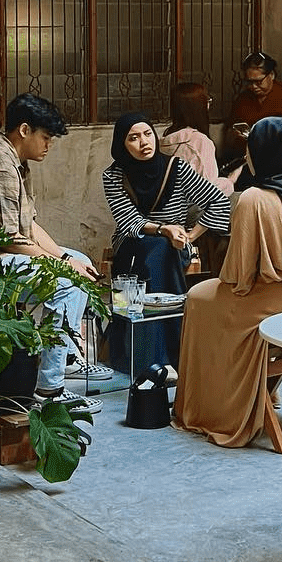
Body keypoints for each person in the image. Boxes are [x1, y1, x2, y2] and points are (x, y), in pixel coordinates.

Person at [174, 117, 282, 447]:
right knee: (207, 299)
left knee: (197, 299)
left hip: (274, 306)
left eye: (250, 148)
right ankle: (262, 391)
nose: (247, 154)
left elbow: (238, 277)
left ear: (261, 153)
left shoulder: (254, 198)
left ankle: (212, 407)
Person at [0, 94, 108, 411]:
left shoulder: (17, 163)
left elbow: (30, 227)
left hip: (11, 254)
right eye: (46, 137)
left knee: (81, 262)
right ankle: (50, 389)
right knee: (65, 284)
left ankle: (67, 356)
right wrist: (63, 266)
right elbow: (7, 239)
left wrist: (67, 259)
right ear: (24, 130)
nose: (48, 145)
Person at [104, 112, 233, 372]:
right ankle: (165, 354)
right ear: (122, 144)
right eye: (133, 138)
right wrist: (164, 230)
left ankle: (153, 357)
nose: (144, 142)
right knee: (157, 249)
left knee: (163, 250)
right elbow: (128, 220)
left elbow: (218, 201)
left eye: (147, 134)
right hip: (132, 243)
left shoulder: (177, 168)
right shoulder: (113, 175)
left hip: (175, 245)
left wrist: (191, 235)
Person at [222, 51, 282, 159]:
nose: (254, 87)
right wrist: (236, 134)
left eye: (259, 82)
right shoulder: (243, 99)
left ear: (271, 75)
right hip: (245, 157)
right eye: (249, 82)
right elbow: (230, 131)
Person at [158, 82, 227, 189]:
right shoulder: (200, 142)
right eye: (207, 101)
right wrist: (230, 181)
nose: (209, 105)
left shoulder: (166, 139)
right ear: (199, 107)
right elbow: (208, 190)